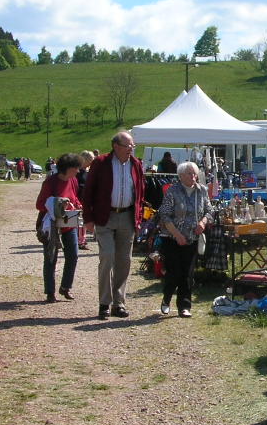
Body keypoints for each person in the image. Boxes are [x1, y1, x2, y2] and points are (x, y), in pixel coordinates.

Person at [82, 131, 146, 320]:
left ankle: (119, 303)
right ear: (116, 146)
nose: (131, 149)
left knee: (124, 261)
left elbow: (141, 193)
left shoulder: (135, 165)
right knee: (107, 257)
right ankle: (104, 303)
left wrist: (139, 218)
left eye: (132, 146)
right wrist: (88, 219)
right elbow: (88, 192)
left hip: (127, 216)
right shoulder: (101, 163)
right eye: (128, 146)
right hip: (105, 216)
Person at [157, 161, 211, 317]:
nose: (193, 176)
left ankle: (184, 306)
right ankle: (166, 298)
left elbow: (209, 210)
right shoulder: (173, 191)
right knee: (174, 273)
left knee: (187, 274)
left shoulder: (202, 191)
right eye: (189, 173)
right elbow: (164, 214)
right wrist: (177, 235)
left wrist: (203, 222)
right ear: (180, 176)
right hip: (172, 238)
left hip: (192, 238)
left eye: (194, 173)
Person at [36, 153, 82, 303]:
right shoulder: (50, 182)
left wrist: (77, 205)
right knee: (51, 257)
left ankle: (65, 287)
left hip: (69, 221)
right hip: (52, 225)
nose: (78, 171)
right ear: (67, 168)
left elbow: (74, 197)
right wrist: (57, 203)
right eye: (76, 168)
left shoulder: (73, 180)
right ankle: (50, 292)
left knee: (73, 255)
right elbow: (39, 204)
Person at [76, 150, 96, 250]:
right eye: (91, 160)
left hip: (84, 200)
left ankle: (81, 240)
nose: (92, 162)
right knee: (80, 222)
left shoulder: (86, 172)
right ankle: (80, 241)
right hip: (79, 200)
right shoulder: (78, 173)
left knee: (83, 222)